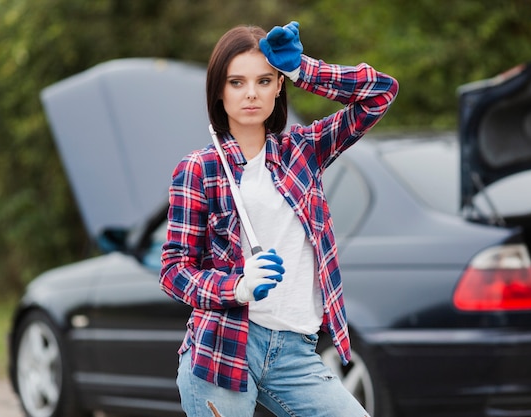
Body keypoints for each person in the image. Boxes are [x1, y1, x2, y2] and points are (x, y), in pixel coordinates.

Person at [160, 21, 398, 417]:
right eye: (236, 82)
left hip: (295, 351)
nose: (251, 93)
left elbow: (379, 95)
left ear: (279, 86)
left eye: (264, 80)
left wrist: (304, 69)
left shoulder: (303, 150)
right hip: (224, 350)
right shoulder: (199, 169)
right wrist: (235, 287)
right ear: (219, 90)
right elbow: (173, 271)